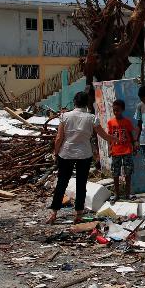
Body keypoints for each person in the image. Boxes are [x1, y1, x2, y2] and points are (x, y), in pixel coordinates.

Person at [48, 90, 112, 224]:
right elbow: (103, 135)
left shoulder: (65, 116)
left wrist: (56, 152)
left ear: (74, 102)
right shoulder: (92, 118)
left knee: (62, 183)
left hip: (66, 153)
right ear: (87, 103)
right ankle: (78, 214)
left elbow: (59, 137)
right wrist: (116, 140)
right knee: (81, 183)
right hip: (84, 153)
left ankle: (54, 212)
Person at [106, 99, 137, 202]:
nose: (116, 112)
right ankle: (117, 194)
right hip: (116, 151)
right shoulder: (110, 122)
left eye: (118, 110)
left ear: (122, 110)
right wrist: (110, 149)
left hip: (127, 151)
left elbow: (131, 136)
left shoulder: (127, 122)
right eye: (114, 110)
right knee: (116, 173)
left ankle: (128, 193)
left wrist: (134, 146)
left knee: (128, 173)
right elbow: (109, 137)